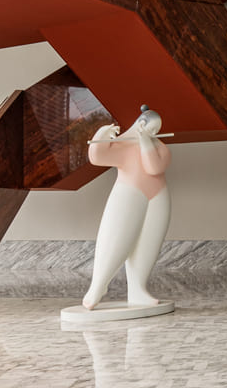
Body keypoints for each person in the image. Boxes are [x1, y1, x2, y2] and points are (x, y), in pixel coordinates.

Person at [83, 105, 171, 309]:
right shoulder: (122, 144)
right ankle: (98, 286)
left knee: (149, 242)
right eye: (151, 129)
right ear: (141, 124)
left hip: (158, 196)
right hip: (129, 193)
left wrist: (146, 141)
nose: (154, 133)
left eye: (157, 130)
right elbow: (97, 157)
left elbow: (154, 167)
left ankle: (138, 288)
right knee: (116, 239)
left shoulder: (159, 147)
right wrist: (102, 134)